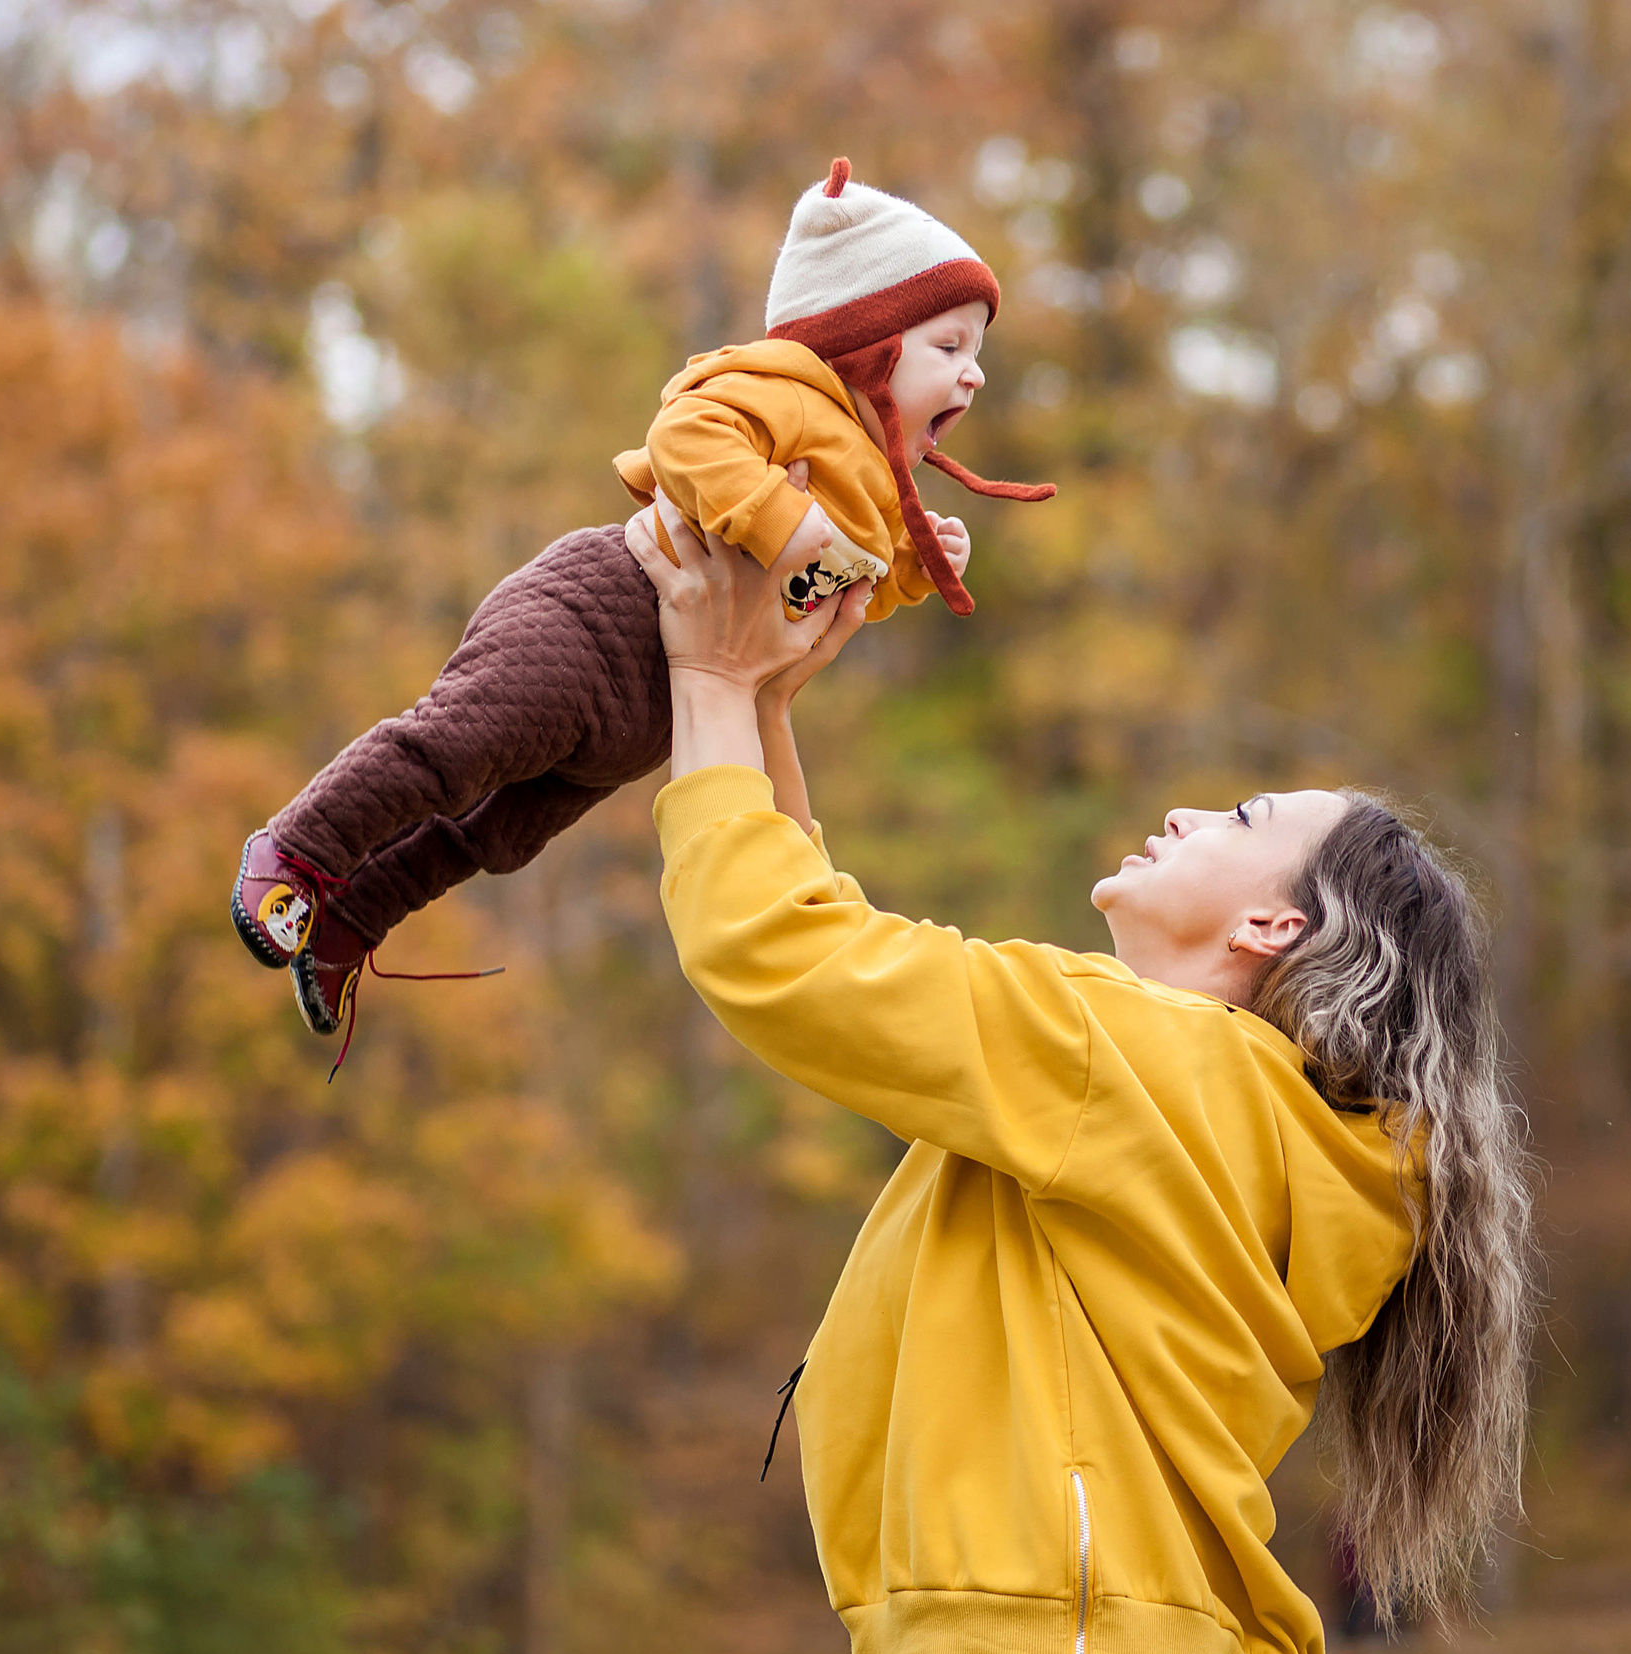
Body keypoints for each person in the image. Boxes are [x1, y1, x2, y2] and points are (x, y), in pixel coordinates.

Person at [627, 492, 1539, 1654]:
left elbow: (777, 954)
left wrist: (705, 674)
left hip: (1048, 1648)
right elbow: (832, 945)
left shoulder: (1131, 1059)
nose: (1187, 811)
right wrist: (761, 705)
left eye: (1242, 817)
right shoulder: (1225, 1105)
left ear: (1275, 923)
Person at [229, 159, 1050, 1047]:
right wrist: (782, 519)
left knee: (495, 836)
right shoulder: (787, 392)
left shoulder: (878, 485)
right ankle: (297, 853)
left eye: (979, 357)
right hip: (597, 621)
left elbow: (837, 594)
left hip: (660, 709)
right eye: (950, 348)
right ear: (866, 341)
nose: (972, 378)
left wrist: (910, 570)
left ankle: (355, 919)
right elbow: (687, 434)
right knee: (454, 750)